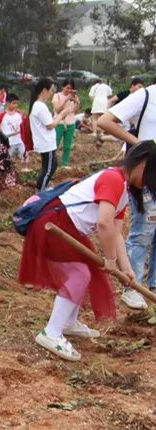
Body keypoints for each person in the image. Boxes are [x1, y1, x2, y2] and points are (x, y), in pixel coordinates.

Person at [19, 142, 155, 361]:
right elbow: (103, 224)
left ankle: (69, 322)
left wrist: (127, 270)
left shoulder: (124, 191)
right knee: (79, 274)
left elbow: (116, 234)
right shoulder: (113, 179)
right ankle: (51, 332)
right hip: (56, 222)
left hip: (70, 226)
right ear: (143, 165)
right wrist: (110, 259)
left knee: (87, 272)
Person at [98, 80, 156, 310]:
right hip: (147, 176)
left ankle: (152, 287)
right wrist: (142, 146)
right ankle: (132, 287)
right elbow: (105, 121)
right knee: (143, 232)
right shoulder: (146, 96)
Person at [29, 78, 75, 191]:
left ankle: (42, 187)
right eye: (51, 89)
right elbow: (50, 125)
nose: (52, 92)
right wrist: (63, 113)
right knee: (48, 169)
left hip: (47, 142)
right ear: (45, 90)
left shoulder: (39, 105)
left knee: (52, 166)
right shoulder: (40, 106)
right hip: (46, 143)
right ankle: (40, 192)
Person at [52, 80, 80, 168]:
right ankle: (52, 163)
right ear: (63, 87)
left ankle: (64, 164)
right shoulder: (57, 96)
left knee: (67, 146)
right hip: (59, 123)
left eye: (71, 88)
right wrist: (66, 99)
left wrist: (76, 102)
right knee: (55, 144)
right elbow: (57, 110)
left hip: (70, 123)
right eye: (67, 88)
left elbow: (75, 112)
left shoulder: (75, 97)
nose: (69, 90)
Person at [0, 93, 26, 164]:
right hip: (9, 142)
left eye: (17, 103)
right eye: (14, 103)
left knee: (21, 158)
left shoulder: (19, 114)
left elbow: (23, 125)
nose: (16, 105)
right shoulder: (2, 115)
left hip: (19, 141)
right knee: (9, 159)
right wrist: (2, 135)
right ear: (8, 103)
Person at [89, 78, 113, 145]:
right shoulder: (106, 86)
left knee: (94, 118)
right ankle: (102, 132)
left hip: (96, 101)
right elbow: (110, 93)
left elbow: (91, 96)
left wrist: (94, 100)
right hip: (104, 102)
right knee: (103, 118)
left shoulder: (94, 87)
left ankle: (94, 132)